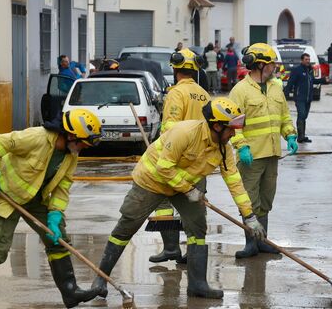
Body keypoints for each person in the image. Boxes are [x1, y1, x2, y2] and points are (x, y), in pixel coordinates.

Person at [90, 98, 264, 300]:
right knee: (126, 226)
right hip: (151, 181)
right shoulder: (185, 133)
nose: (233, 134)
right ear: (216, 126)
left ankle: (198, 285)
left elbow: (235, 182)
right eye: (230, 129)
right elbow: (164, 167)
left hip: (184, 187)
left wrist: (249, 215)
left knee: (198, 228)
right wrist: (189, 190)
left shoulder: (224, 149)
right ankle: (100, 279)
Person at [0, 109, 103, 309]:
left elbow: (63, 187)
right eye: (83, 143)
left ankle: (70, 292)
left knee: (58, 239)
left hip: (36, 200)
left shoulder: (70, 156)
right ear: (71, 135)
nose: (84, 148)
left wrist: (54, 214)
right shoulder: (36, 137)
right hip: (5, 195)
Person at [229, 43, 297, 259]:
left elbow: (284, 116)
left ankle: (262, 240)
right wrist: (242, 147)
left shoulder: (276, 87)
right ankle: (251, 242)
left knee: (266, 200)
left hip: (272, 153)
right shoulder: (240, 90)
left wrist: (290, 134)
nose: (274, 68)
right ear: (258, 65)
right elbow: (232, 125)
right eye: (270, 64)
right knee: (249, 200)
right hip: (251, 156)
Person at [146, 48, 210, 265]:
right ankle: (193, 252)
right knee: (193, 208)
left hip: (177, 159)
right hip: (199, 162)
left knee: (163, 203)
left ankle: (171, 247)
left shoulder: (176, 93)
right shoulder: (203, 94)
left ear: (175, 69)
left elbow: (170, 128)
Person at [285, 53, 317, 143]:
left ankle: (302, 135)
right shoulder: (297, 70)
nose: (308, 61)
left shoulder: (310, 70)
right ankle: (300, 136)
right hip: (300, 98)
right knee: (301, 115)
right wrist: (286, 93)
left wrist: (323, 80)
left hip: (308, 98)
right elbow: (291, 82)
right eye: (306, 59)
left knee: (304, 116)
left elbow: (313, 81)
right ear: (302, 60)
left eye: (308, 59)